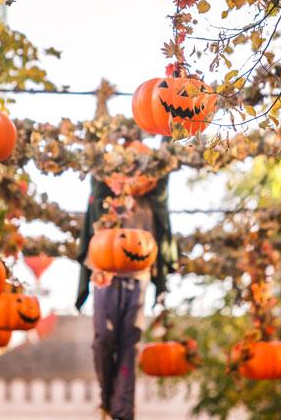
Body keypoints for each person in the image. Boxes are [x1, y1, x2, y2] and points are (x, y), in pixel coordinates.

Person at [76, 175, 176, 420]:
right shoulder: (107, 192)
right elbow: (97, 174)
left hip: (138, 276)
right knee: (103, 338)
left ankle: (123, 412)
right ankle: (107, 398)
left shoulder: (153, 196)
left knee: (130, 345)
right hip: (106, 274)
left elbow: (163, 174)